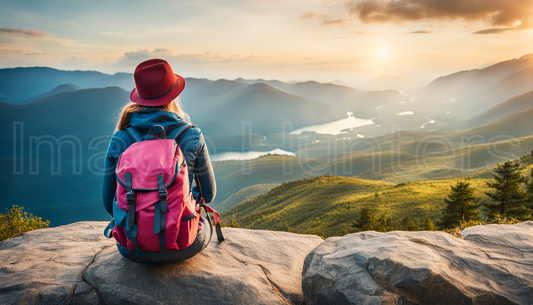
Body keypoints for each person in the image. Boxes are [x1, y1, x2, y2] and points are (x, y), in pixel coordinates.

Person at [102, 58, 216, 262]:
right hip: (183, 244)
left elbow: (108, 202)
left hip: (131, 247)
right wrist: (180, 200)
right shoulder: (192, 135)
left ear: (140, 97)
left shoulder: (120, 137)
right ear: (173, 96)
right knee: (205, 224)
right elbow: (208, 194)